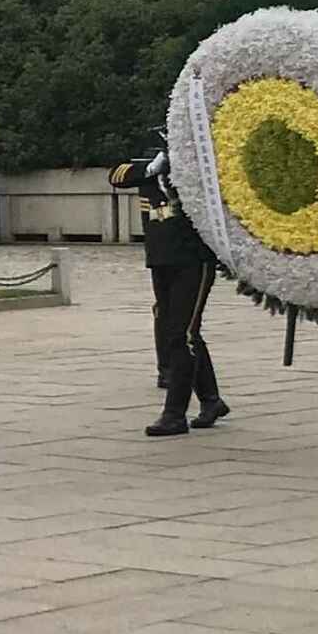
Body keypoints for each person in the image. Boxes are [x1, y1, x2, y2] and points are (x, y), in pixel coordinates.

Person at [112, 137, 228, 437]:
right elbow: (116, 176)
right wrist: (151, 168)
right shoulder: (151, 167)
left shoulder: (195, 168)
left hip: (193, 260)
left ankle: (175, 414)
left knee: (181, 335)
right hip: (161, 260)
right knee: (180, 332)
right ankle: (211, 400)